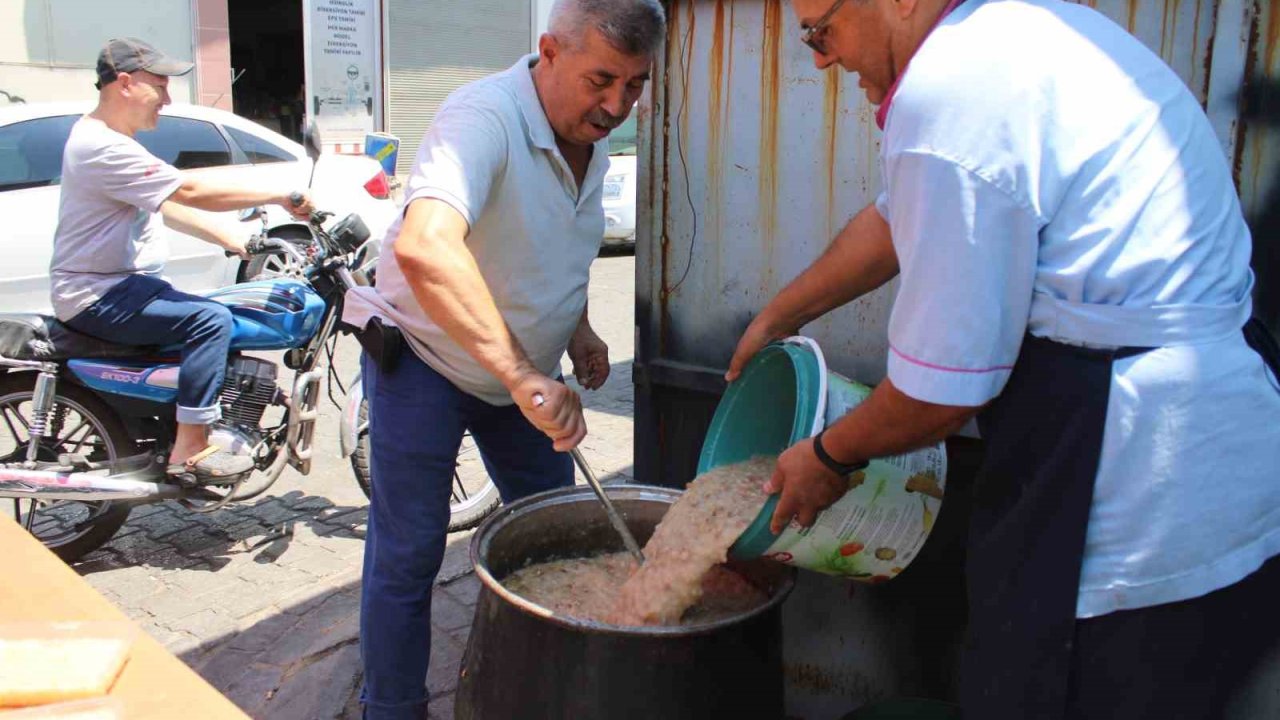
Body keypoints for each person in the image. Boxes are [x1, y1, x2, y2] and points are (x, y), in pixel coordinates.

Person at [727, 0, 1280, 716]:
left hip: (1132, 494)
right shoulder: (1009, 37)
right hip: (1225, 461)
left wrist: (827, 458)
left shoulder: (951, 92)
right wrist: (780, 314)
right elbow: (896, 220)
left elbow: (938, 397)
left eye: (821, 28)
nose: (820, 57)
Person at [340, 1, 665, 716]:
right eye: (601, 80)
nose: (616, 106)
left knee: (556, 533)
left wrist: (576, 329)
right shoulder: (481, 117)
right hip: (426, 360)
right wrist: (521, 372)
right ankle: (391, 707)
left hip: (521, 380)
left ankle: (543, 684)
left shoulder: (592, 134)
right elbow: (426, 245)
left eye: (635, 87)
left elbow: (544, 246)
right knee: (409, 552)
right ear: (549, 51)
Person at [51, 38, 314, 482]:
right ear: (126, 83)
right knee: (210, 321)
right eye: (160, 85)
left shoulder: (110, 139)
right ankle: (190, 447)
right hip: (98, 293)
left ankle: (179, 421)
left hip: (121, 286)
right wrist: (280, 193)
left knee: (212, 309)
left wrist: (238, 240)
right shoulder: (103, 146)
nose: (168, 99)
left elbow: (168, 207)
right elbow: (187, 191)